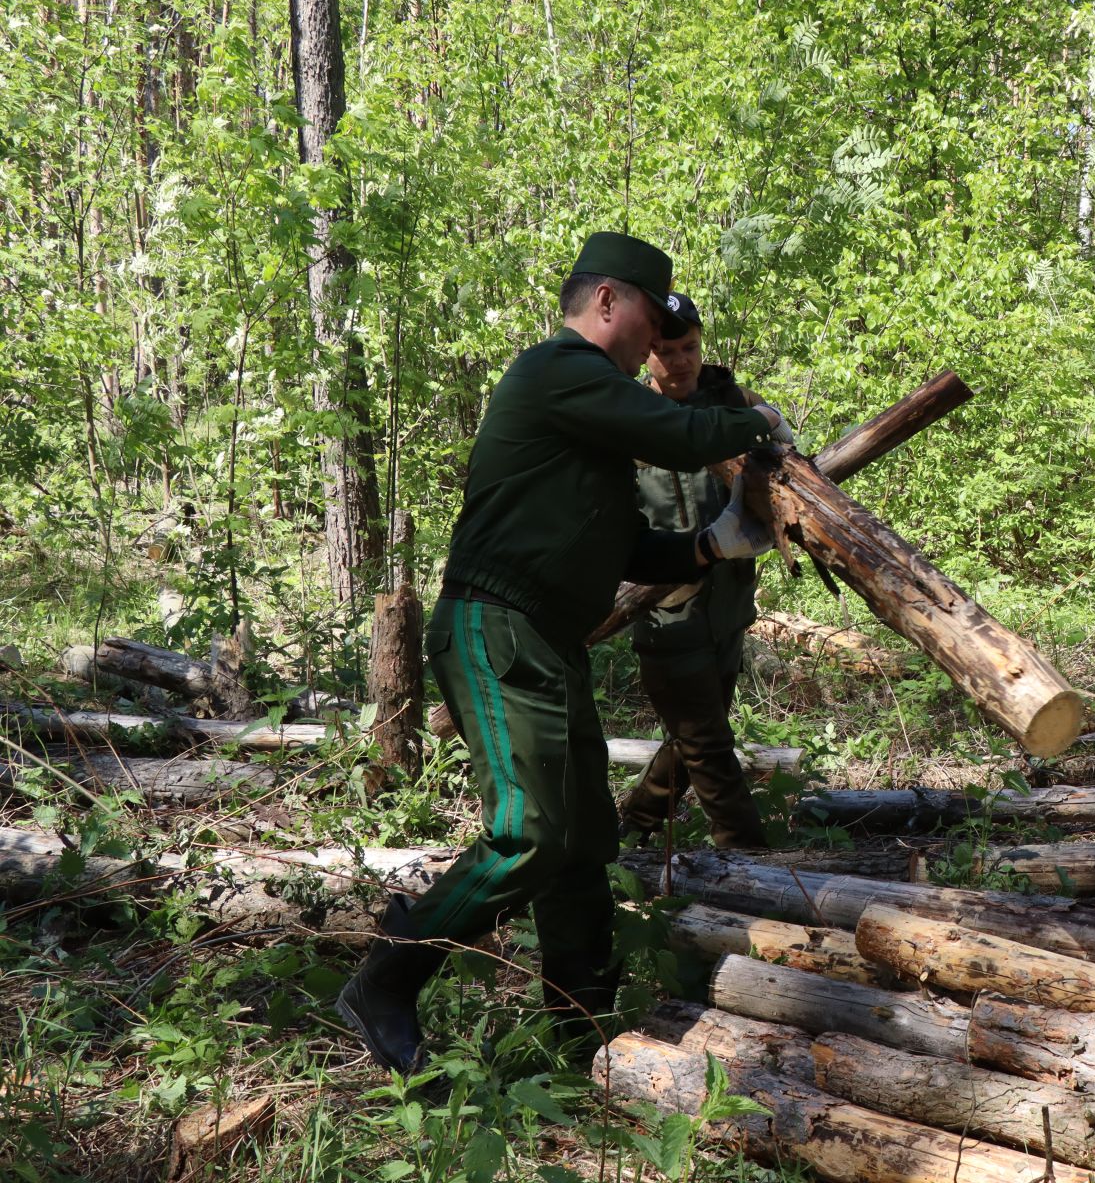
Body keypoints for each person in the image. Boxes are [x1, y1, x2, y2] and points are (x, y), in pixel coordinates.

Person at [335, 232, 797, 1075]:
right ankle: (391, 975)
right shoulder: (556, 370)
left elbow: (627, 550)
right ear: (610, 301)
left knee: (584, 842)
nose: (658, 343)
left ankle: (581, 1036)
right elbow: (674, 432)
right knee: (530, 834)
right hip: (493, 625)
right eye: (651, 321)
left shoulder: (595, 418)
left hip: (547, 642)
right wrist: (754, 421)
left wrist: (714, 544)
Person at [617, 292, 784, 849]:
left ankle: (634, 824)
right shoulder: (626, 415)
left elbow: (781, 466)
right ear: (646, 354)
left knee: (693, 737)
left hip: (729, 602)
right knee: (708, 743)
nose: (681, 361)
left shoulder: (732, 400)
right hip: (664, 605)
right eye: (665, 351)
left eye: (689, 347)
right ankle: (747, 854)